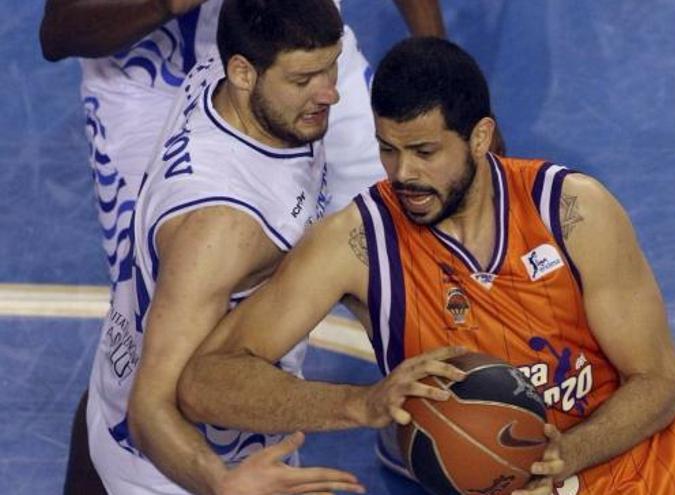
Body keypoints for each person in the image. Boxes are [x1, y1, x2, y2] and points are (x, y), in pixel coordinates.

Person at [178, 37, 675, 494]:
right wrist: (359, 403)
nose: (403, 174)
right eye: (387, 150)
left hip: (641, 474)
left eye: (424, 151)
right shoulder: (358, 243)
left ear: (480, 137)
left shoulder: (572, 211)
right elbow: (207, 380)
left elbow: (657, 380)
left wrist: (563, 455)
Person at [39, 0, 446, 492]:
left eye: (329, 69)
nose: (331, 94)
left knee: (139, 349)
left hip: (127, 414)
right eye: (304, 80)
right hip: (190, 468)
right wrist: (223, 482)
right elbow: (152, 409)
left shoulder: (232, 85)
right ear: (245, 72)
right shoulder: (222, 229)